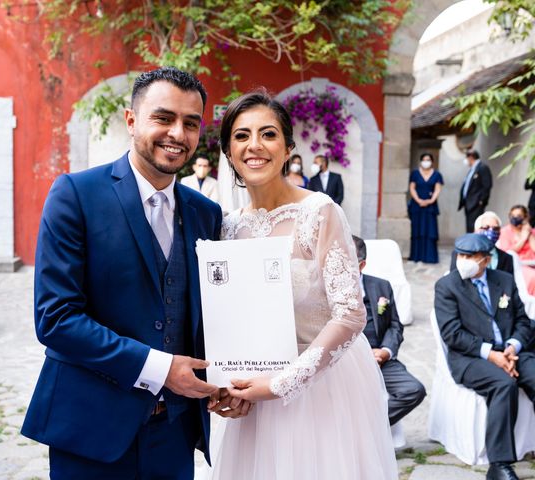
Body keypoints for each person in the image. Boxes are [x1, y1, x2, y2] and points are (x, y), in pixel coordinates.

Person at [21, 68, 247, 479]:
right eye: (163, 118)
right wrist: (160, 369)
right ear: (131, 120)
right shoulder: (74, 194)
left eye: (191, 123)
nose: (178, 134)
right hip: (92, 427)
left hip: (175, 433)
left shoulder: (206, 213)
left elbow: (212, 315)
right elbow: (55, 319)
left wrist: (237, 378)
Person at [207, 90, 397, 479]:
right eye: (241, 136)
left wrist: (283, 382)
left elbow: (350, 314)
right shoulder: (227, 226)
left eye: (268, 134)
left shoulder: (320, 211)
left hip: (320, 386)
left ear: (288, 147)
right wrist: (224, 385)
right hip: (252, 390)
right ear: (228, 151)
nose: (254, 145)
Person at [435, 233, 535, 480]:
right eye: (461, 255)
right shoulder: (447, 287)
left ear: (486, 260)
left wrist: (512, 347)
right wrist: (491, 355)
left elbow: (523, 321)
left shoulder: (504, 281)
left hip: (510, 353)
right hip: (471, 358)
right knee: (504, 384)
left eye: (471, 256)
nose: (464, 260)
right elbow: (452, 334)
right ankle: (499, 464)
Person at [353, 235, 426, 426]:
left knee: (414, 390)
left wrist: (385, 351)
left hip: (380, 358)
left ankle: (370, 428)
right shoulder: (327, 289)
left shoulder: (381, 285)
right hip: (347, 361)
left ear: (361, 265)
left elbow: (395, 325)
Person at [449, 211, 514, 275]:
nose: (491, 231)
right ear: (475, 231)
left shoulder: (507, 258)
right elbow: (454, 281)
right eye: (486, 228)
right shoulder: (461, 254)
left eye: (495, 228)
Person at [408, 153, 444, 263]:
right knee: (417, 230)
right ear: (420, 161)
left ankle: (429, 256)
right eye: (423, 159)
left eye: (428, 159)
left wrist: (430, 200)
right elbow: (412, 188)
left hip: (430, 207)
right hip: (417, 206)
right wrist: (418, 200)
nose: (426, 161)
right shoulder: (415, 173)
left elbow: (438, 189)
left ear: (432, 161)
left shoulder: (437, 174)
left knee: (430, 230)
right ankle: (416, 256)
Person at [497, 205, 535, 295]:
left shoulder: (531, 231)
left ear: (526, 217)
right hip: (518, 267)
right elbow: (508, 252)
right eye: (512, 215)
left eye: (519, 216)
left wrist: (529, 235)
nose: (515, 218)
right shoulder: (505, 231)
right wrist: (523, 239)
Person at [459, 149, 492, 233]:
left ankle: (474, 244)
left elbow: (487, 185)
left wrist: (481, 200)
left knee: (475, 226)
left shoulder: (482, 168)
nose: (466, 160)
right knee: (469, 226)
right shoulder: (472, 169)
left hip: (476, 203)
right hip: (468, 203)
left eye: (466, 158)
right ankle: (470, 244)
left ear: (471, 157)